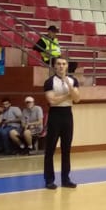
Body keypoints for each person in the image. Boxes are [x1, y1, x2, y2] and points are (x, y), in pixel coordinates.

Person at [43, 56, 80, 189]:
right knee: (50, 149)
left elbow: (76, 99)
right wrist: (67, 96)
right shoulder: (49, 82)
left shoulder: (73, 80)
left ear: (67, 66)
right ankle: (49, 179)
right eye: (58, 64)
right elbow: (52, 101)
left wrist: (68, 85)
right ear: (54, 66)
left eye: (63, 64)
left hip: (67, 115)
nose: (61, 66)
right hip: (55, 116)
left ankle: (66, 179)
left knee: (66, 149)